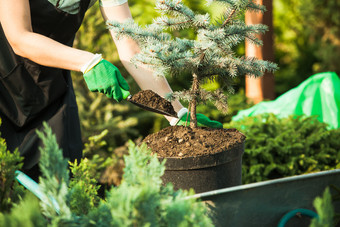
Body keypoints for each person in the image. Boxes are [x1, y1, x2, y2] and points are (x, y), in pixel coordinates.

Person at [0, 0, 222, 181]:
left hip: (50, 86)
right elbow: (19, 37)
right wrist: (87, 62)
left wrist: (176, 112)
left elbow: (132, 47)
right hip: (4, 88)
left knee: (60, 181)